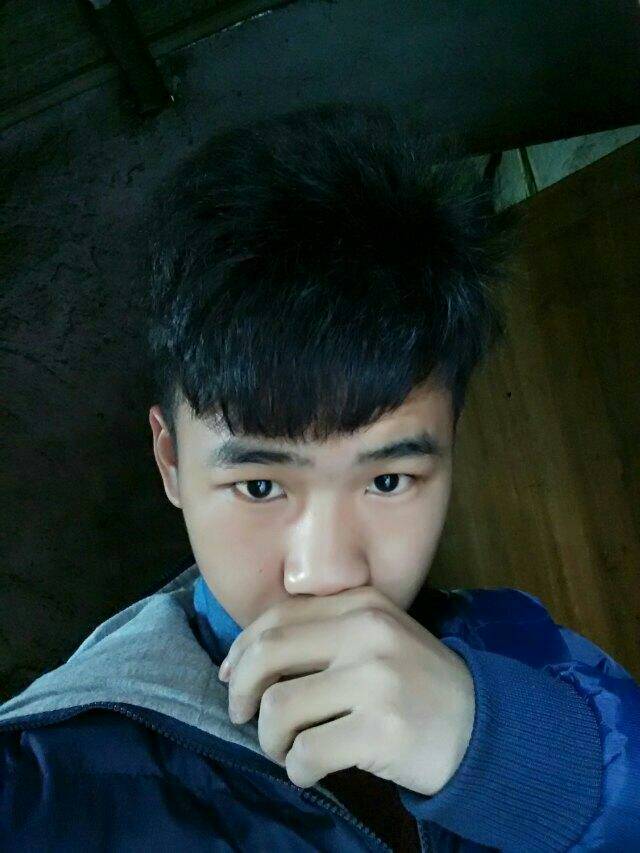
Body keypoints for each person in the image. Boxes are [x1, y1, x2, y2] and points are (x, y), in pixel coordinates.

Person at [1, 102, 638, 852]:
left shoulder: (526, 647)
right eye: (261, 486)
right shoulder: (45, 781)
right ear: (171, 462)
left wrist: (509, 752)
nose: (325, 573)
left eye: (389, 480)